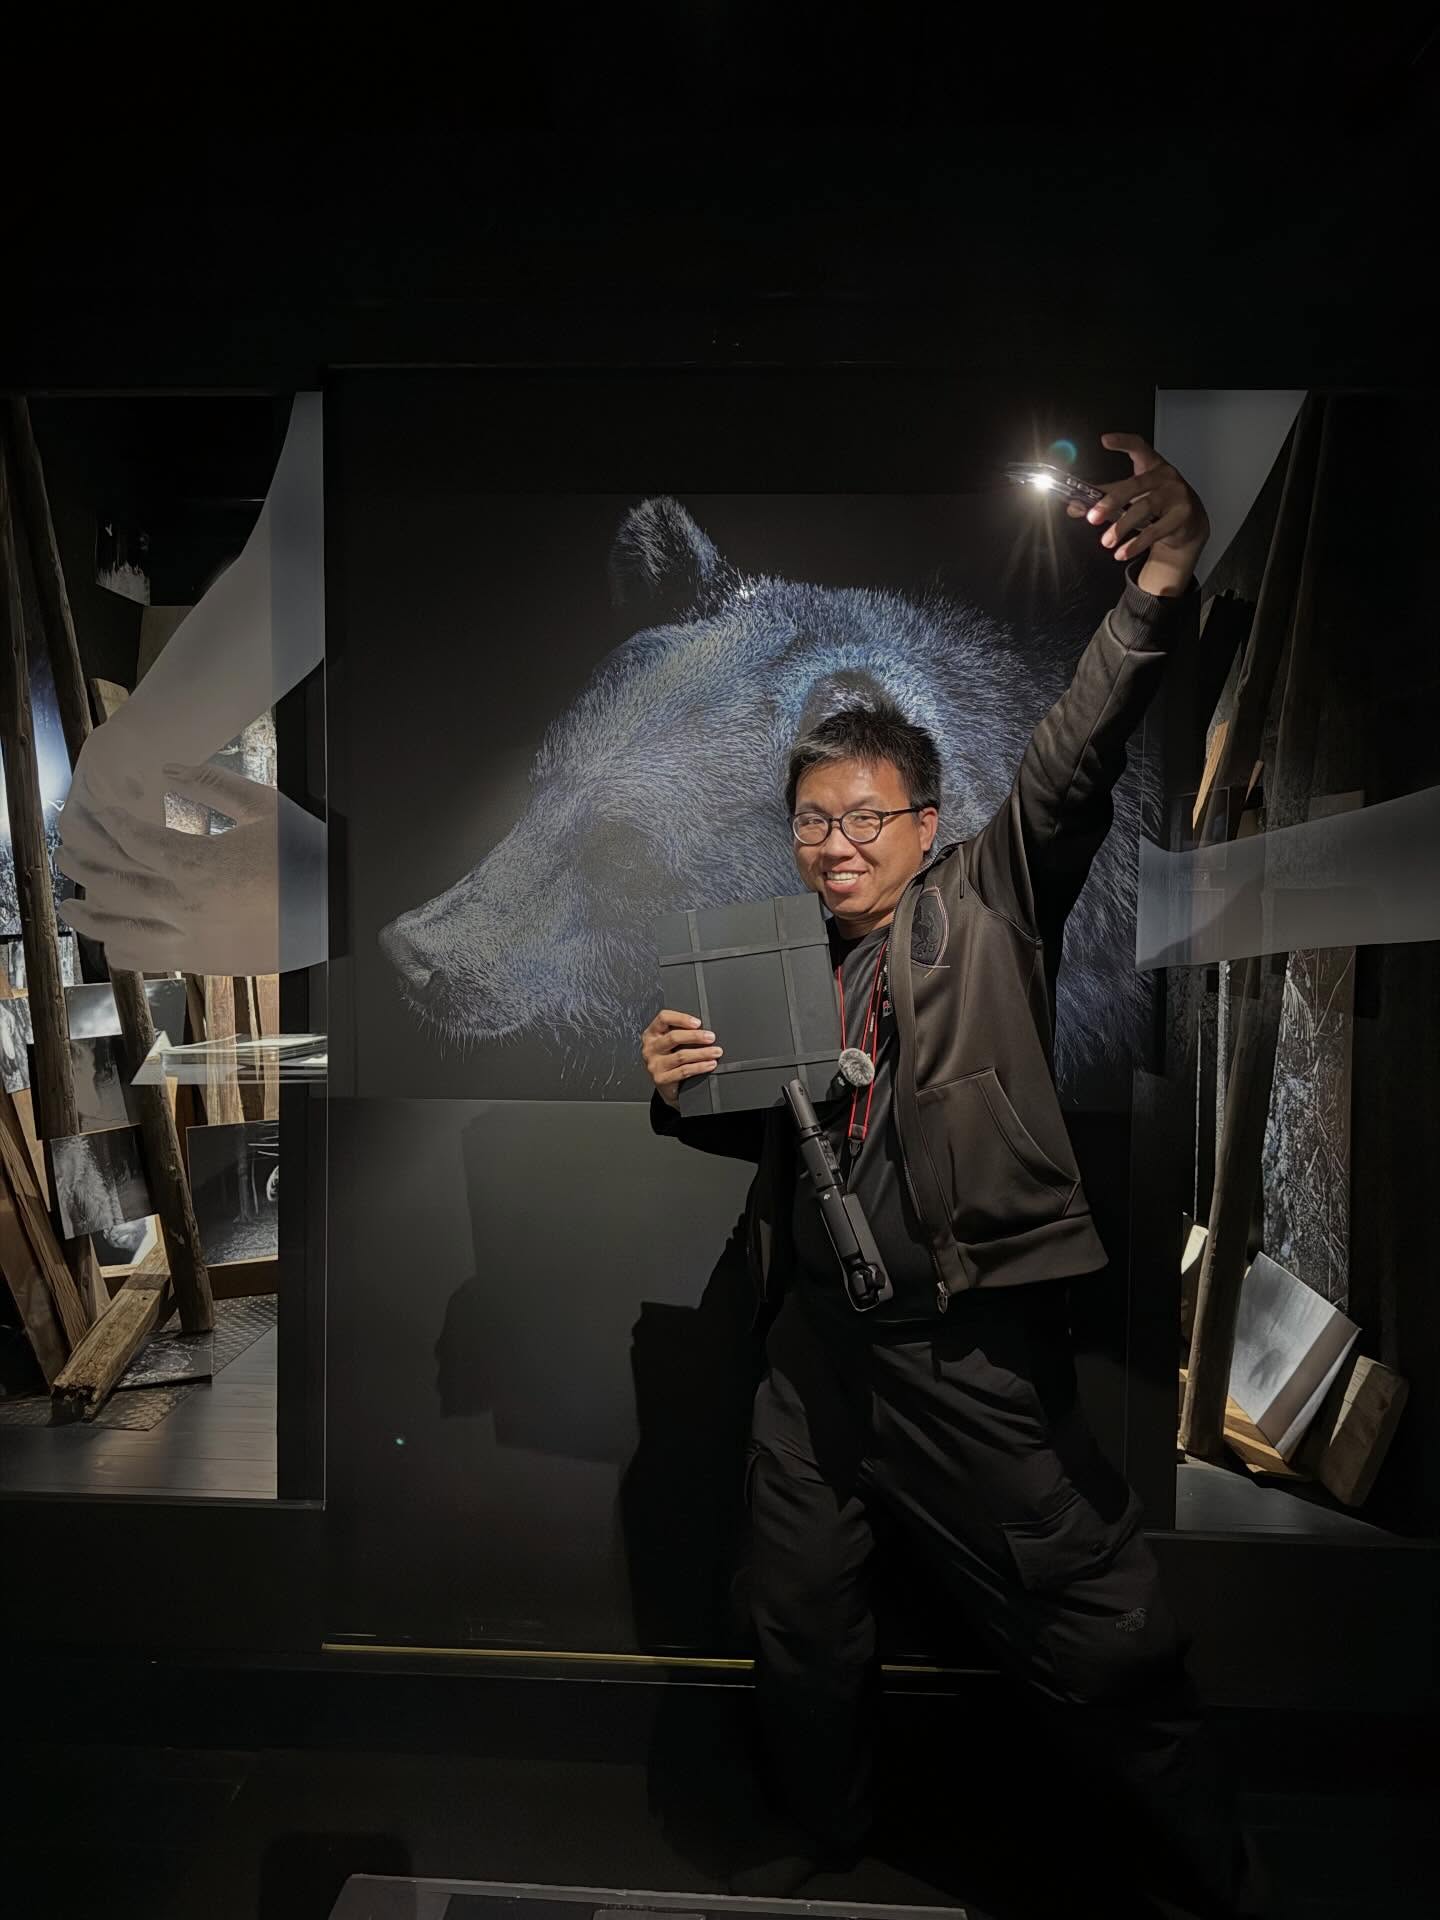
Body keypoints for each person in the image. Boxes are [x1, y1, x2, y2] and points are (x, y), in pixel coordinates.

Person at [642, 433, 1272, 1920]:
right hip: (816, 1357)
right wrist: (681, 1089)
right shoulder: (787, 967)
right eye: (813, 820)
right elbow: (790, 1134)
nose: (837, 844)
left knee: (1100, 1638)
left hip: (965, 1355)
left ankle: (1220, 1883)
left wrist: (1161, 584)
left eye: (867, 817)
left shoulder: (985, 902)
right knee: (795, 1616)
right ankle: (828, 1831)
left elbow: (1074, 754)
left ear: (925, 825)